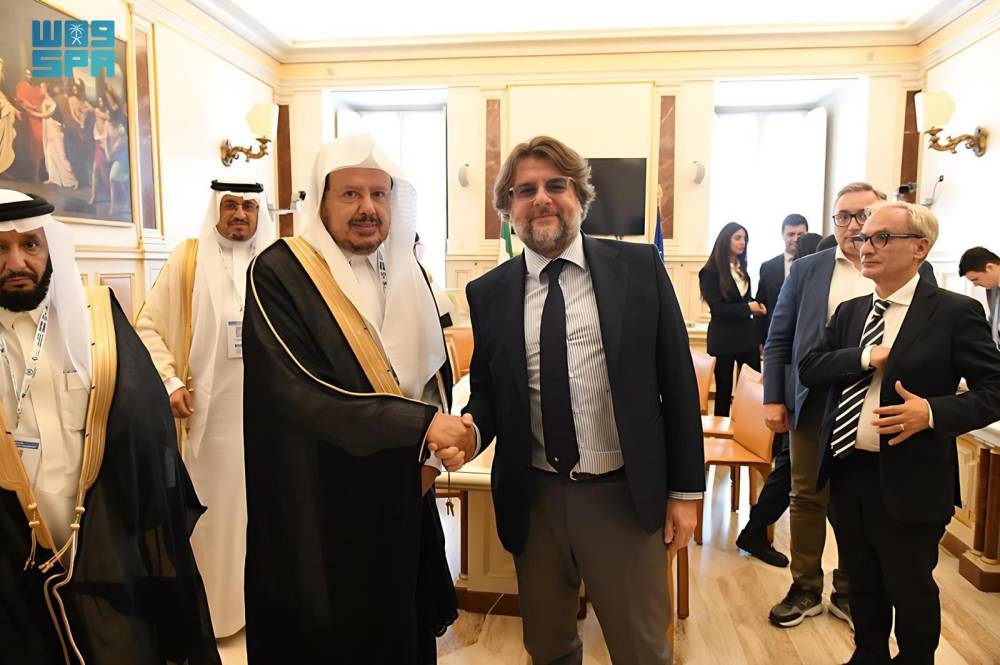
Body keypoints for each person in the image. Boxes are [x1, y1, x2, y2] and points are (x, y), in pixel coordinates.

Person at [442, 135, 705, 664]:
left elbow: (677, 382)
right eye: (525, 190)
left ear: (581, 197)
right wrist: (471, 431)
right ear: (508, 209)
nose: (541, 198)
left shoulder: (639, 268)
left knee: (642, 650)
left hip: (623, 495)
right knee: (548, 648)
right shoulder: (489, 293)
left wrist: (685, 492)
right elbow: (491, 391)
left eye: (556, 185)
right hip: (535, 498)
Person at [242, 134, 459, 664]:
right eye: (350, 194)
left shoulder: (407, 271)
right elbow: (299, 392)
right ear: (321, 200)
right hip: (321, 498)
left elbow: (434, 373)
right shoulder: (280, 271)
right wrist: (420, 427)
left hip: (404, 487)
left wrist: (432, 455)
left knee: (401, 628)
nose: (368, 208)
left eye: (379, 194)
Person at [0, 189, 220, 664]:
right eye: (0, 248)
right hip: (11, 544)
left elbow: (145, 424)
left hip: (100, 536)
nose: (16, 262)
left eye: (30, 245)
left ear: (50, 247)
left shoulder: (95, 320)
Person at [799, 202, 1000, 665]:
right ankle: (867, 654)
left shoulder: (954, 312)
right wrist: (865, 357)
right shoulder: (851, 313)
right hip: (848, 471)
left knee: (909, 589)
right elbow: (810, 367)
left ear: (919, 248)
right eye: (863, 238)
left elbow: (994, 390)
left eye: (881, 238)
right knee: (862, 583)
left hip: (913, 479)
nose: (865, 247)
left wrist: (930, 412)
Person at [762, 182, 937, 629]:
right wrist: (774, 398)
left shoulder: (912, 270)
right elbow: (779, 337)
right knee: (805, 496)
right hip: (812, 399)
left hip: (878, 405)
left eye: (864, 215)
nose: (853, 225)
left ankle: (851, 589)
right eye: (843, 216)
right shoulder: (808, 269)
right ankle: (805, 586)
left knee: (858, 501)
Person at [135, 180, 275, 638]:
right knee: (210, 518)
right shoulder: (188, 259)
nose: (240, 214)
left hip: (269, 420)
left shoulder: (277, 263)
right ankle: (209, 615)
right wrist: (171, 382)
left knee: (262, 515)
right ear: (216, 208)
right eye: (230, 205)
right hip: (206, 421)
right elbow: (147, 326)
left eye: (248, 206)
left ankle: (256, 612)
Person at [735, 228, 821, 568]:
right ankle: (755, 531)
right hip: (801, 393)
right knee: (790, 471)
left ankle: (755, 530)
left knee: (790, 469)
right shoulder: (805, 282)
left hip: (798, 390)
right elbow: (780, 338)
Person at [699, 222, 764, 417]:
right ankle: (720, 431)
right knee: (723, 392)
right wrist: (748, 308)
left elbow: (742, 299)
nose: (743, 242)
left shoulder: (742, 268)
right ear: (725, 240)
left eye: (745, 238)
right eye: (737, 238)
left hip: (747, 338)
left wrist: (755, 305)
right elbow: (718, 308)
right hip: (723, 340)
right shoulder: (709, 272)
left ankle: (748, 426)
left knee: (751, 388)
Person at [755, 213, 808, 346]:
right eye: (791, 234)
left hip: (806, 337)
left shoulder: (815, 265)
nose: (796, 239)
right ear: (783, 235)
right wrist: (759, 339)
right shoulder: (768, 267)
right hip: (775, 337)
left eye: (800, 234)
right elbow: (762, 304)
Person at [959, 246, 1000, 349]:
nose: (975, 285)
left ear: (990, 267)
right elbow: (994, 322)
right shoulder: (992, 288)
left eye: (976, 279)